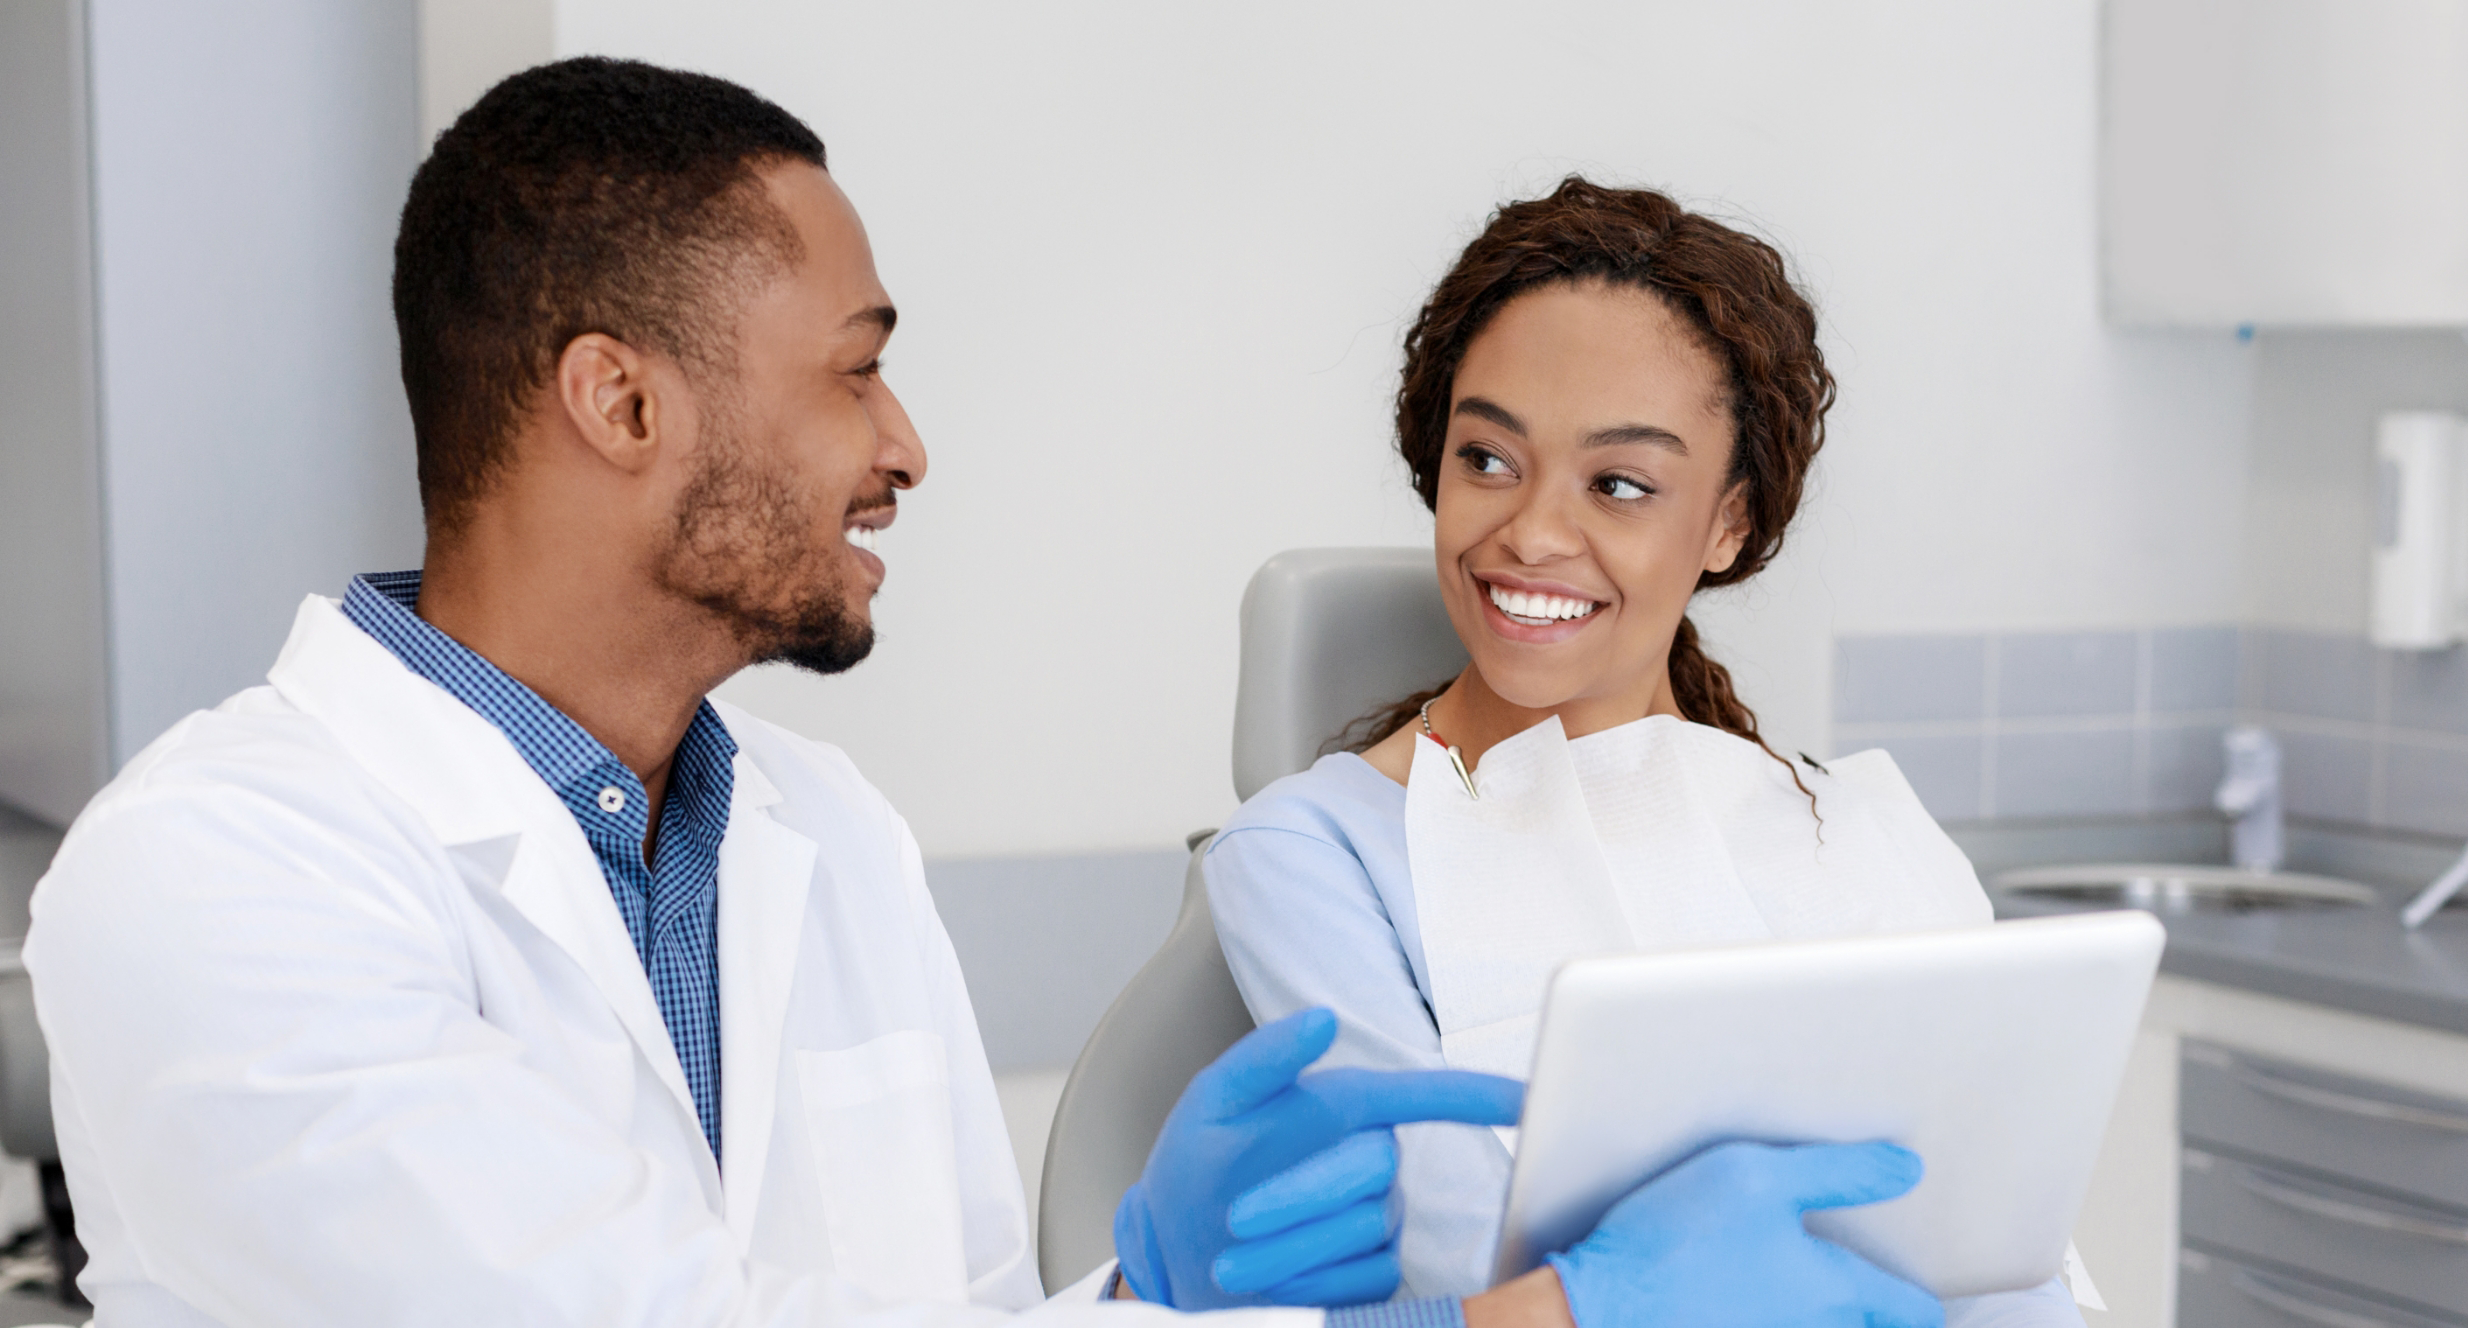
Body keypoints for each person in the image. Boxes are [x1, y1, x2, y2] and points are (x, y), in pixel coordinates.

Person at [27, 61, 1945, 1328]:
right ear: (622, 402)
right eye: (854, 371)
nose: (909, 444)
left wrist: (1136, 1297)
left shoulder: (826, 843)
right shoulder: (216, 880)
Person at [1204, 179, 2091, 1326]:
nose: (1527, 531)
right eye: (1485, 458)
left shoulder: (1849, 836)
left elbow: (2009, 1252)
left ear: (1727, 521)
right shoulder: (1311, 854)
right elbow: (1462, 1257)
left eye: (1619, 483)